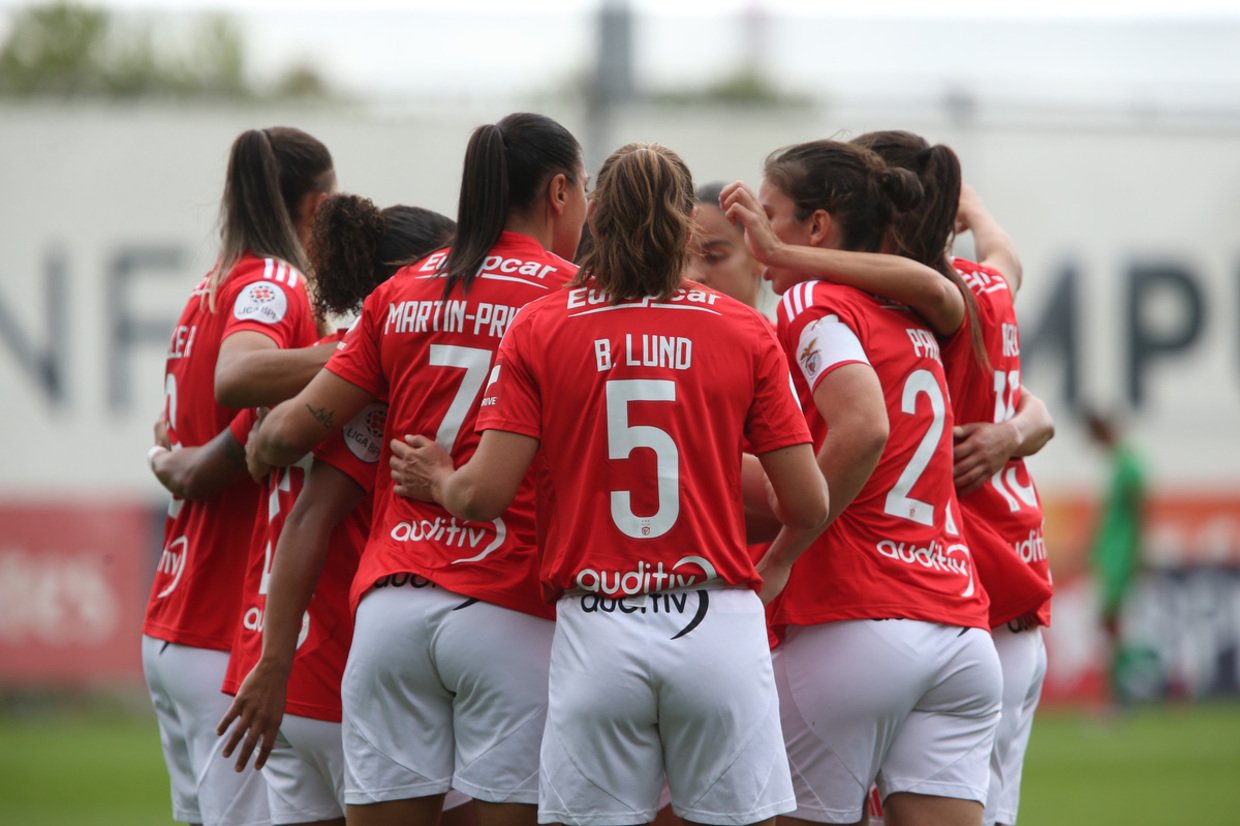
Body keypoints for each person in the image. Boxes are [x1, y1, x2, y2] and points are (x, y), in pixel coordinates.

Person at [396, 143, 828, 826]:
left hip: (596, 625)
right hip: (716, 619)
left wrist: (441, 478)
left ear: (598, 215)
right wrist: (772, 567)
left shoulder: (541, 325)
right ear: (684, 226)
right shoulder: (744, 330)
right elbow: (806, 503)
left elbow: (483, 497)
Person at [244, 112, 586, 826]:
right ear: (559, 192)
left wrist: (260, 445)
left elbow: (290, 429)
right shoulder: (574, 297)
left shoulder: (403, 291)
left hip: (393, 611)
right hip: (510, 605)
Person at [723, 132, 1056, 826]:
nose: (756, 236)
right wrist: (1023, 428)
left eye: (769, 214)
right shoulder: (942, 304)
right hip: (965, 625)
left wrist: (779, 553)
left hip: (855, 616)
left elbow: (864, 428)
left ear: (819, 226)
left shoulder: (816, 299)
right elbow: (965, 278)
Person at [143, 126, 334, 826]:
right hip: (225, 624)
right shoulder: (275, 283)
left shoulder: (208, 290)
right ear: (315, 207)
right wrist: (359, 349)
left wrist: (180, 462)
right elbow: (239, 380)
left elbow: (179, 428)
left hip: (172, 622)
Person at [1085, 409, 1146, 707]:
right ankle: (1116, 695)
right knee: (1111, 626)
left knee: (1112, 625)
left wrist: (1138, 555)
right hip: (1111, 555)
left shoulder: (1129, 466)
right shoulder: (1118, 464)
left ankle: (1116, 697)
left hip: (1121, 557)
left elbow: (1141, 513)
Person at [687, 181, 767, 309]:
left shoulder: (801, 328)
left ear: (758, 256)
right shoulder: (649, 329)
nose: (691, 276)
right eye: (682, 261)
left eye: (713, 256)